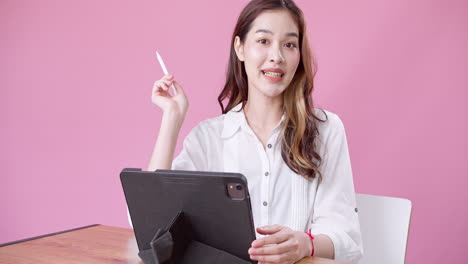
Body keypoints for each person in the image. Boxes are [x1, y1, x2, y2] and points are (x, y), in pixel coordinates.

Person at [148, 0, 363, 263]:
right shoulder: (209, 138)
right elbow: (152, 224)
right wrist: (172, 117)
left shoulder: (326, 130)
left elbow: (345, 236)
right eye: (263, 41)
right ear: (240, 48)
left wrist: (306, 244)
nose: (277, 56)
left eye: (289, 44)